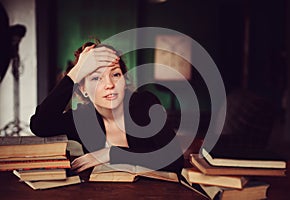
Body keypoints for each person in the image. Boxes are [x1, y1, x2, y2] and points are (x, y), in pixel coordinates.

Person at [30, 42, 184, 177]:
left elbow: (174, 159)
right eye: (96, 78)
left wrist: (109, 153)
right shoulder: (83, 118)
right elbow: (40, 125)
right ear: (83, 88)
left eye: (116, 74)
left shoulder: (145, 104)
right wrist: (76, 72)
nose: (110, 84)